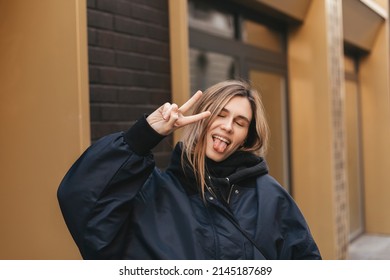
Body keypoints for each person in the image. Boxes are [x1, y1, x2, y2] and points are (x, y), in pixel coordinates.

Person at [57, 80, 321, 260]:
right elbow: (82, 205)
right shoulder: (154, 193)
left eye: (240, 122)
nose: (228, 126)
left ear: (246, 138)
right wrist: (143, 136)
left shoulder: (270, 197)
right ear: (201, 119)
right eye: (220, 114)